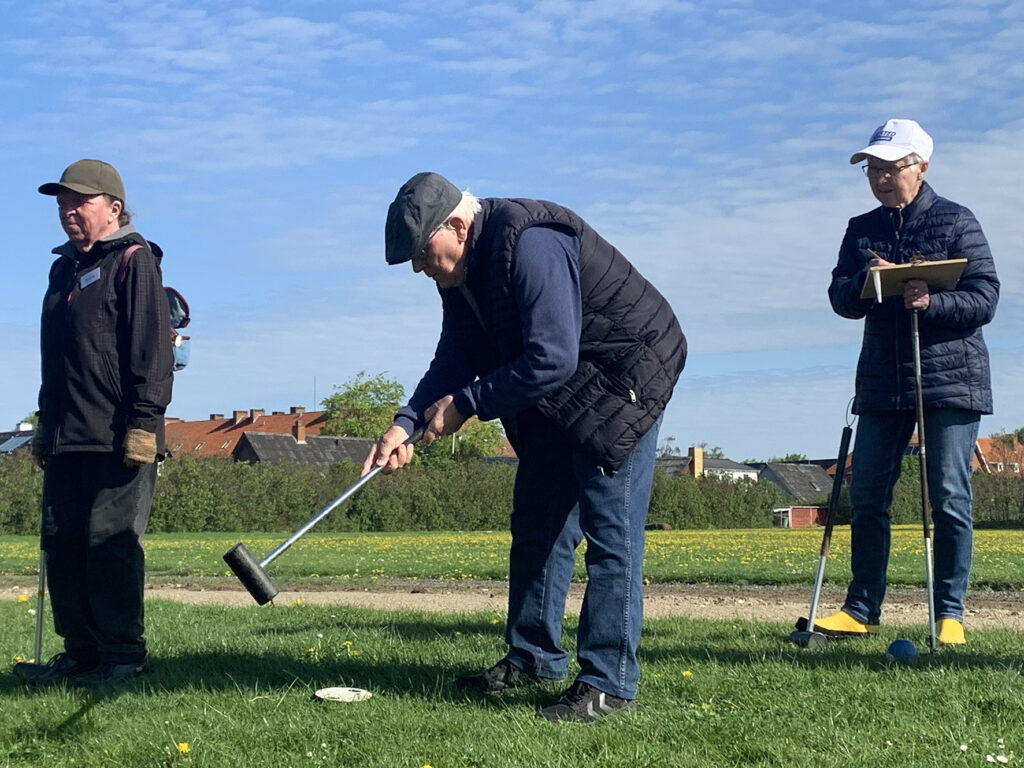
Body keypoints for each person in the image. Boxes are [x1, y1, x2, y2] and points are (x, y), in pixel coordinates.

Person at [363, 172, 686, 722]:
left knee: (611, 533)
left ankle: (608, 683)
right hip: (558, 391)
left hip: (624, 380)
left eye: (422, 254)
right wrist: (406, 422)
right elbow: (458, 354)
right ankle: (534, 656)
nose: (420, 268)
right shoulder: (461, 275)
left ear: (459, 226)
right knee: (538, 521)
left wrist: (467, 405)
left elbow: (552, 355)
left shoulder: (532, 242)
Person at [821, 119, 999, 644]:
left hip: (949, 379)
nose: (879, 178)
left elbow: (985, 297)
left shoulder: (956, 220)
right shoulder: (861, 229)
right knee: (869, 493)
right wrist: (867, 282)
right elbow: (839, 299)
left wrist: (932, 300)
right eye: (871, 169)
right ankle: (859, 609)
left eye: (890, 168)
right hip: (881, 382)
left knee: (947, 495)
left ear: (921, 166)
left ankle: (949, 614)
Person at [14, 159, 174, 686]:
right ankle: (81, 652)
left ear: (113, 207)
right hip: (66, 434)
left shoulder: (134, 260)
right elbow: (54, 359)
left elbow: (152, 352)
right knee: (62, 544)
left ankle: (123, 654)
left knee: (109, 544)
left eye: (78, 201)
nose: (68, 211)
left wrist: (145, 425)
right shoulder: (62, 270)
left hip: (118, 437)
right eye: (62, 203)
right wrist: (44, 427)